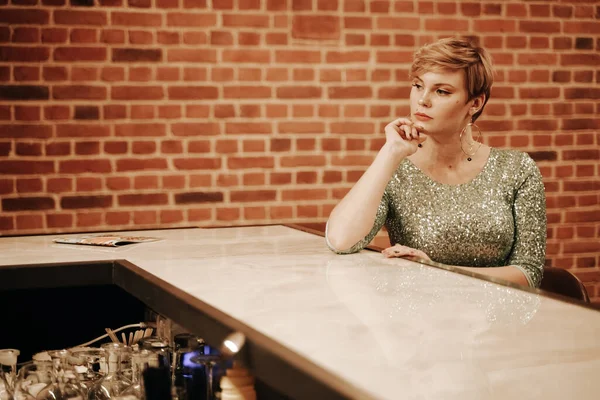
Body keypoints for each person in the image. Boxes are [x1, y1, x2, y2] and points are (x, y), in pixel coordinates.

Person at [325, 37, 546, 288]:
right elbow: (340, 241)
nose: (423, 100)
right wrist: (390, 152)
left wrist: (438, 271)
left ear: (475, 103)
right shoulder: (397, 168)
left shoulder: (516, 169)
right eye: (418, 86)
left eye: (441, 91)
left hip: (499, 319)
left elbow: (529, 272)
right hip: (420, 318)